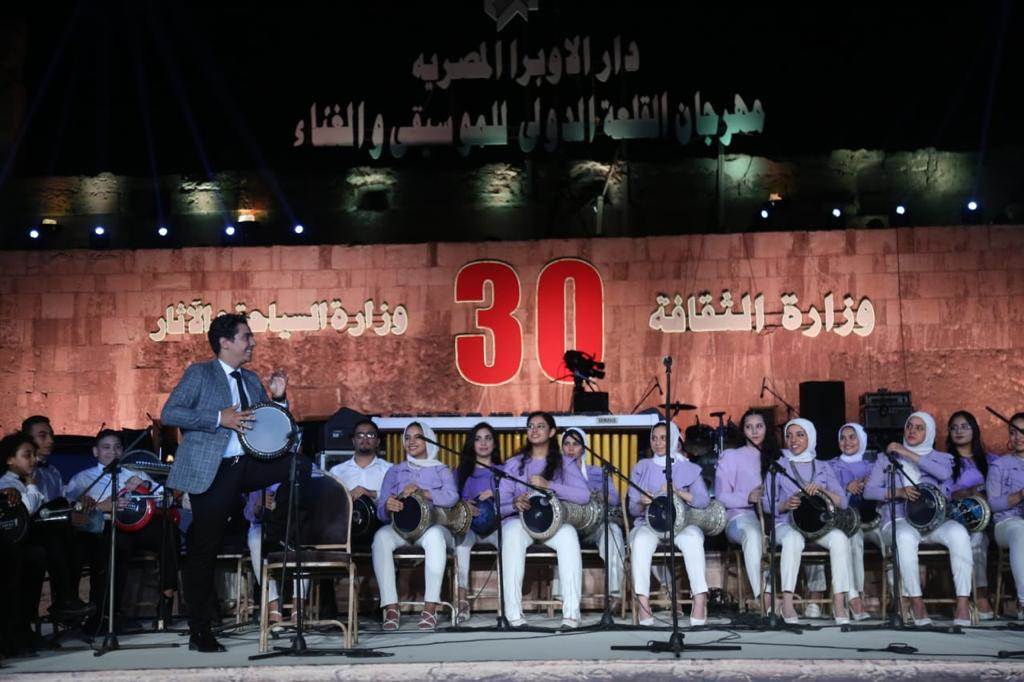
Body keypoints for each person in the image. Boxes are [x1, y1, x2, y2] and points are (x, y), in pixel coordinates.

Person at [160, 312, 302, 652]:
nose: (252, 342)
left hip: (248, 465)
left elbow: (269, 428)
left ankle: (280, 528)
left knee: (297, 464)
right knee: (204, 548)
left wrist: (278, 399)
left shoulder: (251, 380)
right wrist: (218, 418)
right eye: (246, 337)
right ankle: (200, 631)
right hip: (214, 469)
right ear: (225, 342)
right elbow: (170, 413)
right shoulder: (200, 373)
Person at [863, 412, 972, 625]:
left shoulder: (942, 459)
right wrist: (898, 492)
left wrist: (906, 452)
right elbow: (869, 492)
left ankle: (963, 602)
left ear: (929, 433)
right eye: (909, 426)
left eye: (919, 428)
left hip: (934, 522)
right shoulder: (886, 459)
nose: (912, 430)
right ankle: (916, 601)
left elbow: (943, 475)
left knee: (959, 533)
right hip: (898, 519)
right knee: (904, 537)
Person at [66, 429, 180, 632]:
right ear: (95, 452)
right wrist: (102, 505)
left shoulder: (134, 473)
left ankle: (165, 605)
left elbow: (168, 499)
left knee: (168, 531)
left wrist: (145, 485)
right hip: (106, 529)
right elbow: (72, 508)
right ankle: (108, 615)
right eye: (106, 447)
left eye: (117, 447)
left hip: (138, 527)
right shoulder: (83, 478)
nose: (112, 452)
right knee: (116, 544)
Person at [499, 412, 587, 629]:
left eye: (540, 426)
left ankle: (571, 614)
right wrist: (514, 503)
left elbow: (584, 495)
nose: (534, 430)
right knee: (511, 534)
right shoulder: (514, 464)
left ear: (552, 432)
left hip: (553, 524)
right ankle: (513, 615)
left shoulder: (564, 463)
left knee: (569, 535)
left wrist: (550, 485)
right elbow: (499, 504)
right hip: (521, 522)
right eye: (530, 426)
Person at [763, 418, 852, 625]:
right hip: (786, 524)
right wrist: (785, 504)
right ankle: (787, 604)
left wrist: (822, 490)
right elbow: (766, 504)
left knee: (840, 538)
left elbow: (843, 502)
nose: (793, 440)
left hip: (818, 526)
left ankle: (839, 603)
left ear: (810, 437)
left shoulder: (822, 466)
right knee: (793, 539)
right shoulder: (778, 466)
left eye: (800, 435)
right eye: (789, 435)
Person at [372, 421, 457, 631]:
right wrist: (388, 506)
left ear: (429, 440)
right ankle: (391, 607)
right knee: (381, 537)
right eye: (407, 437)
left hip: (431, 527)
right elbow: (381, 510)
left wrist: (425, 493)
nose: (411, 441)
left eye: (418, 436)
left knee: (435, 537)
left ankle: (430, 607)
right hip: (401, 529)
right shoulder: (395, 471)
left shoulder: (440, 469)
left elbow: (452, 497)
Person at [628, 421, 710, 626]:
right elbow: (632, 509)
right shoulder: (641, 467)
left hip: (681, 525)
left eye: (663, 438)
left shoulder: (689, 468)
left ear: (673, 439)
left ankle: (699, 599)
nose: (658, 443)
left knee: (693, 539)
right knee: (640, 542)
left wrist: (679, 492)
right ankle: (643, 603)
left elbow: (703, 501)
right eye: (654, 438)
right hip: (650, 525)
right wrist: (642, 502)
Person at [560, 427, 625, 606]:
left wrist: (599, 494)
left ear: (584, 447)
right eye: (566, 444)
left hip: (595, 525)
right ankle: (563, 595)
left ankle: (614, 591)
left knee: (613, 530)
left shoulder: (597, 472)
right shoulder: (556, 473)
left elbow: (615, 500)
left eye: (575, 444)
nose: (571, 448)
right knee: (561, 534)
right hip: (568, 525)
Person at [715, 409, 772, 610]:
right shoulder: (732, 456)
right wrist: (748, 497)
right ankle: (763, 595)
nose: (754, 431)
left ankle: (806, 598)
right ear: (743, 430)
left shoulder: (777, 457)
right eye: (749, 427)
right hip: (740, 517)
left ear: (767, 428)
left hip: (775, 517)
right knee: (753, 534)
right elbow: (721, 496)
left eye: (759, 426)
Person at [0, 433, 48, 655]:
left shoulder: (31, 479)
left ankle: (25, 628)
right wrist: (31, 485)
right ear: (10, 459)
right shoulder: (7, 483)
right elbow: (26, 510)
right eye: (27, 455)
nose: (33, 460)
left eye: (34, 455)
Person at [945, 410, 994, 619]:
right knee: (975, 536)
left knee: (981, 533)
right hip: (959, 517)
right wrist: (966, 493)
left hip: (990, 515)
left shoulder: (990, 460)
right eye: (954, 428)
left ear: (974, 430)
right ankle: (978, 594)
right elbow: (943, 494)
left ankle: (980, 593)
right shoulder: (946, 462)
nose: (959, 431)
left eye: (964, 426)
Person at [452, 422, 502, 624]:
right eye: (478, 439)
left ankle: (507, 602)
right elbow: (450, 502)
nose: (483, 443)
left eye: (488, 438)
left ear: (494, 443)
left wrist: (496, 494)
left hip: (496, 526)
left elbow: (515, 498)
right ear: (471, 444)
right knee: (461, 544)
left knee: (509, 542)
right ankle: (462, 600)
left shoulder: (503, 471)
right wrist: (464, 505)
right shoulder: (461, 472)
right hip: (469, 527)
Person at [828, 422, 875, 620]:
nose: (847, 442)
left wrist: (868, 484)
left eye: (852, 437)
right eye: (842, 437)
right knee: (854, 538)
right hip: (844, 521)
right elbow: (827, 495)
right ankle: (855, 596)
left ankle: (901, 599)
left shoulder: (874, 466)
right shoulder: (831, 466)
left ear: (861, 439)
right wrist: (846, 488)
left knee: (895, 540)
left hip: (874, 521)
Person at [328, 418, 391, 545]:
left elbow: (396, 498)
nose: (365, 439)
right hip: (346, 531)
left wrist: (372, 493)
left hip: (381, 529)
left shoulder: (390, 469)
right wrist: (346, 496)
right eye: (360, 435)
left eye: (370, 435)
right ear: (353, 441)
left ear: (378, 441)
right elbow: (330, 503)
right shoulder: (337, 471)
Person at [987, 412, 1024, 621]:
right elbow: (993, 504)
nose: (1018, 437)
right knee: (1020, 531)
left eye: (1023, 432)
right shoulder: (999, 465)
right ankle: (1023, 602)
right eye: (1013, 432)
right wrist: (1020, 495)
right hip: (1006, 523)